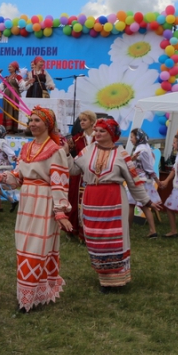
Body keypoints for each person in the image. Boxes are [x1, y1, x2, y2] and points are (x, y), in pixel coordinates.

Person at [0, 106, 72, 312]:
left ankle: (30, 297)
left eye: (37, 120)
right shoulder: (26, 149)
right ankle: (28, 293)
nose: (32, 124)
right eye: (31, 120)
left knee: (37, 248)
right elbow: (18, 178)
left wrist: (60, 211)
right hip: (27, 203)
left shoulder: (56, 151)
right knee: (24, 246)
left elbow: (59, 183)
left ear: (48, 124)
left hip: (44, 202)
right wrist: (0, 176)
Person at [69, 119, 162, 293]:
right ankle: (103, 277)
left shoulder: (122, 154)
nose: (96, 134)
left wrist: (147, 201)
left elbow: (134, 182)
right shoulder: (87, 151)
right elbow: (73, 170)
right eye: (95, 130)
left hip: (114, 200)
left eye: (102, 131)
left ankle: (117, 280)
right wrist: (65, 154)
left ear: (112, 134)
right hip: (91, 200)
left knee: (114, 240)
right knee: (96, 240)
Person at [67, 110, 97, 240]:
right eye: (81, 120)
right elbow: (71, 154)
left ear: (92, 121)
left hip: (96, 174)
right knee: (75, 202)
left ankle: (92, 231)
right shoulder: (77, 138)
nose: (82, 122)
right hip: (79, 175)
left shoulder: (99, 136)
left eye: (85, 120)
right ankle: (75, 230)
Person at [128, 129, 161, 238]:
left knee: (141, 206)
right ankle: (150, 230)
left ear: (137, 138)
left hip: (140, 181)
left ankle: (152, 230)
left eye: (132, 137)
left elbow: (148, 168)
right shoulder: (142, 148)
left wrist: (157, 181)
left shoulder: (141, 150)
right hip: (138, 180)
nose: (131, 139)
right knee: (135, 205)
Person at [0, 124, 19, 212]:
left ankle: (13, 200)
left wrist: (12, 159)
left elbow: (11, 154)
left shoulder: (1, 143)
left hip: (1, 168)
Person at [0, 62, 25, 133]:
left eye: (11, 67)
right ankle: (7, 128)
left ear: (15, 68)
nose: (9, 68)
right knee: (7, 110)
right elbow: (1, 87)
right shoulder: (6, 77)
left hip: (14, 96)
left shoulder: (18, 77)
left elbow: (22, 86)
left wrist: (27, 83)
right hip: (7, 96)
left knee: (14, 110)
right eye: (8, 67)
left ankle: (14, 128)